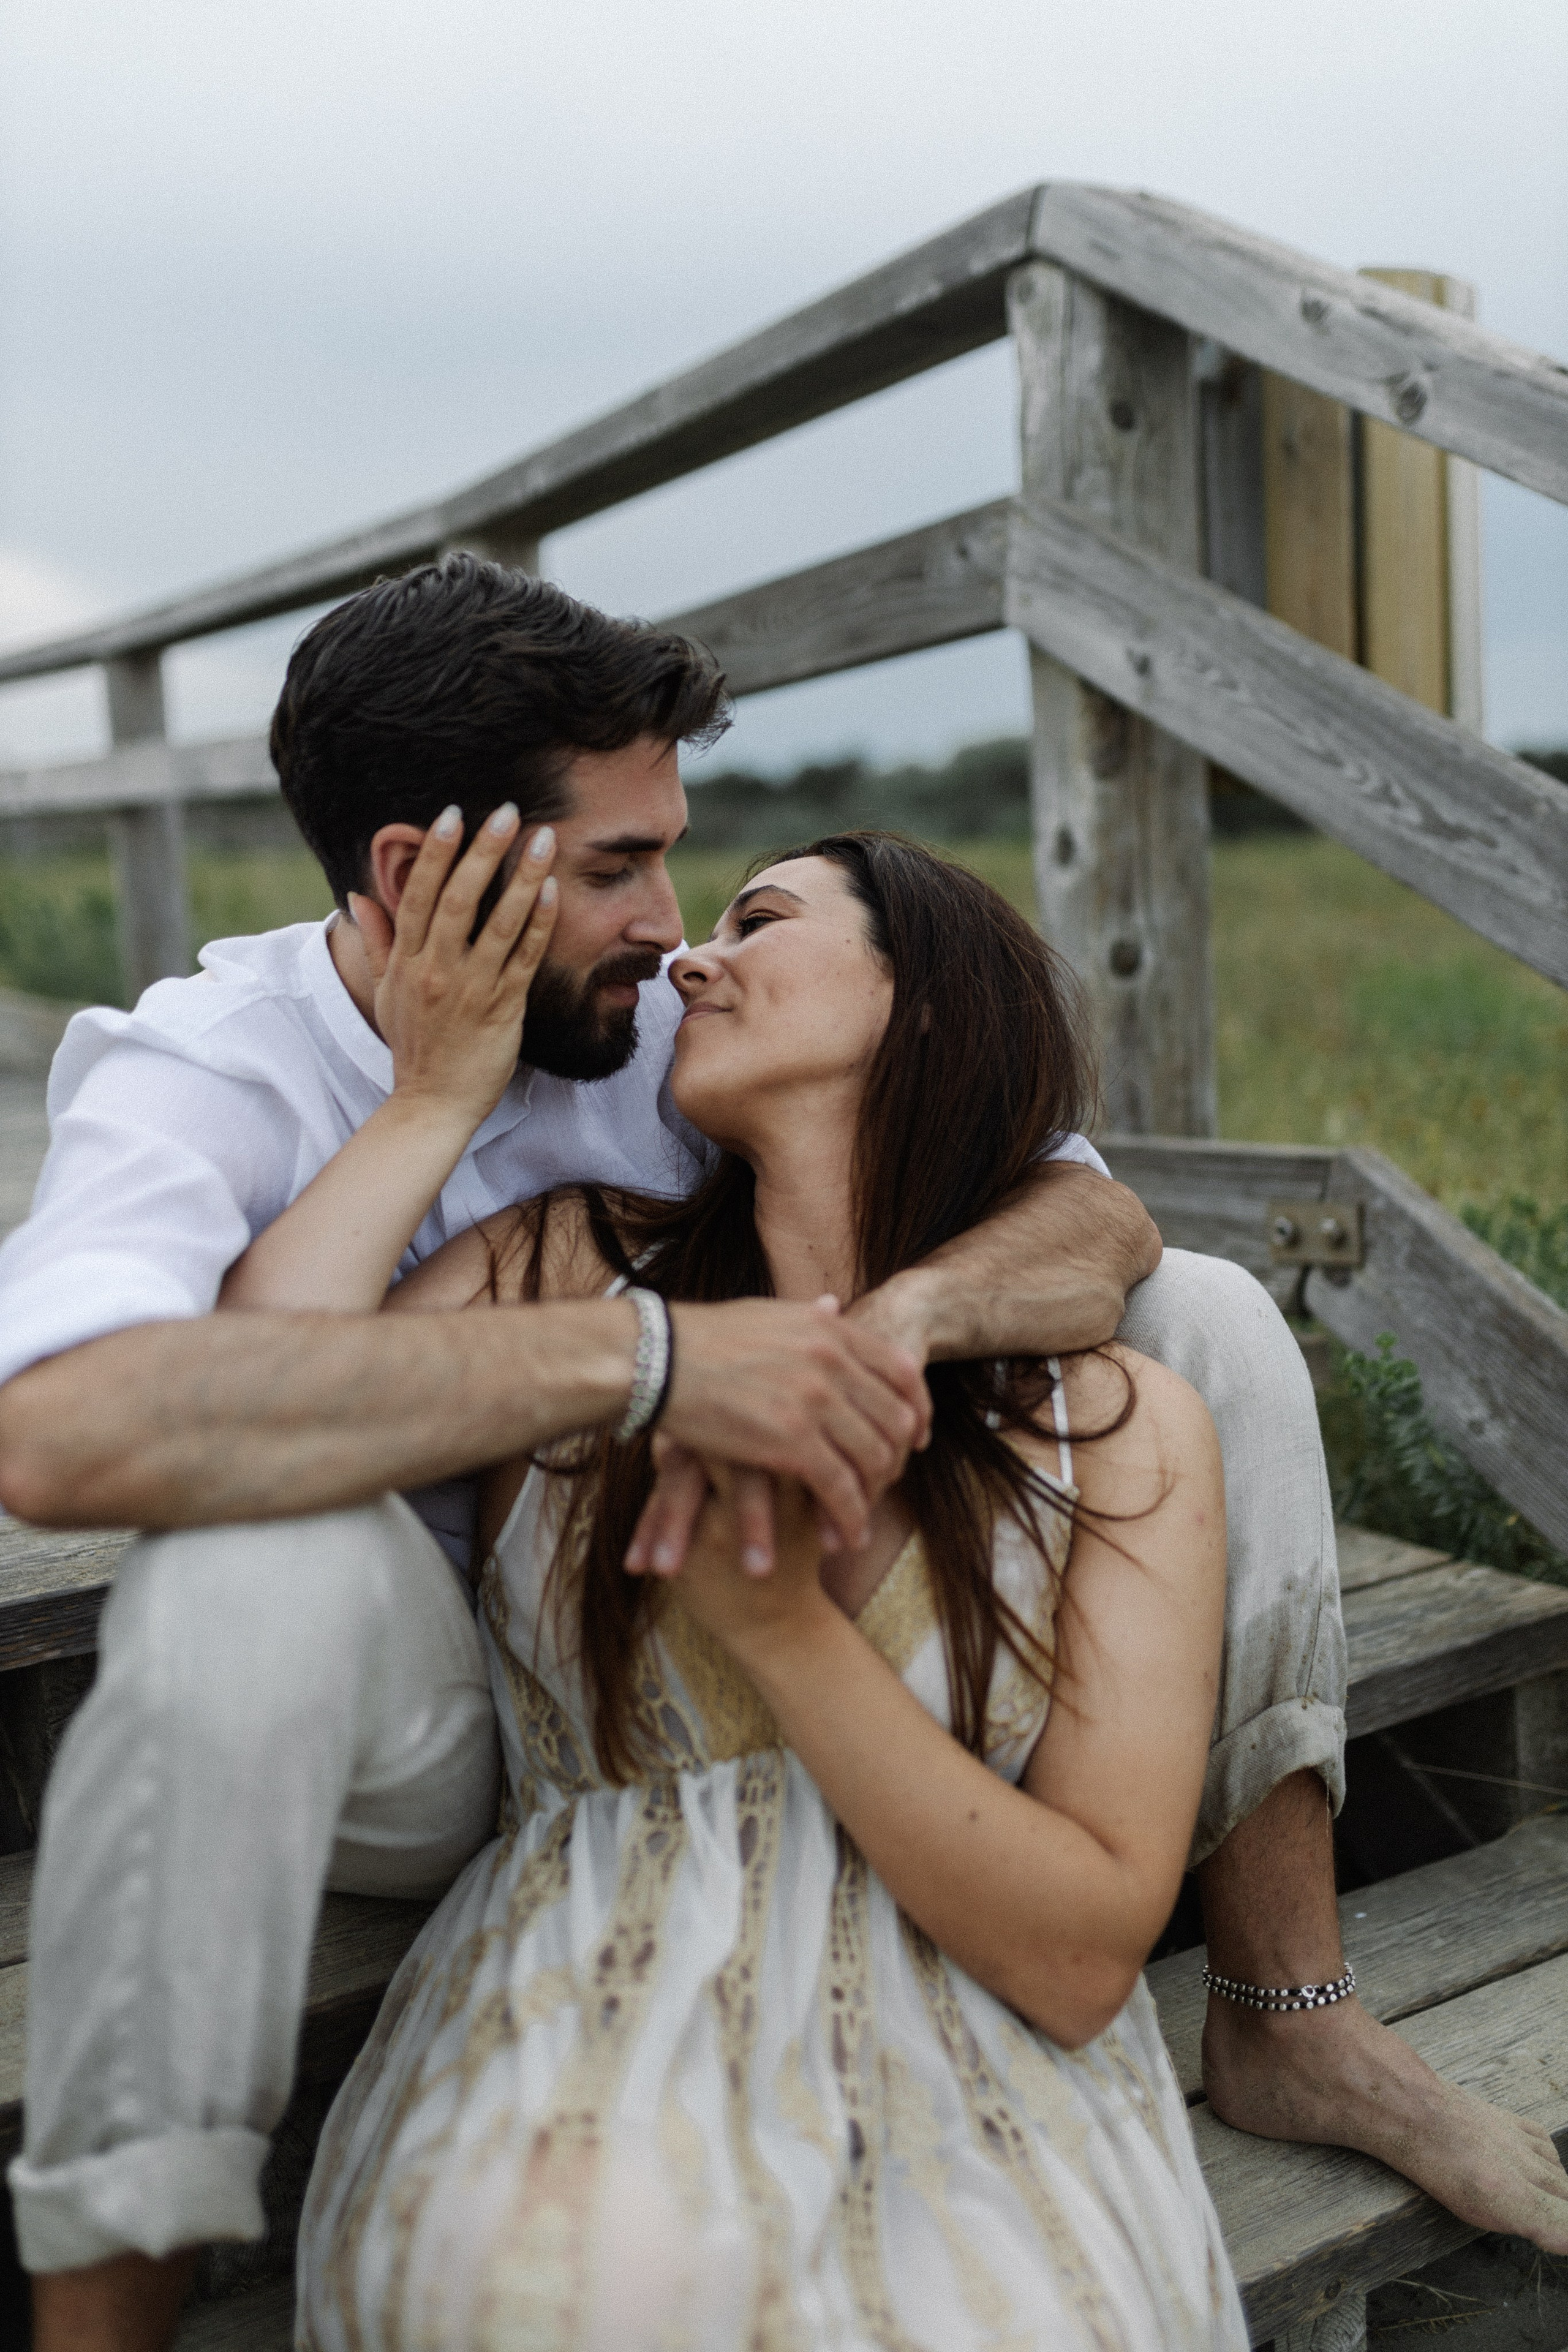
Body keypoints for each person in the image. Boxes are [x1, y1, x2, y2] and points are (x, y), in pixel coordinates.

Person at [0, 559, 1558, 2350]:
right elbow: (65, 1433)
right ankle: (106, 2295)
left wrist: (870, 1335)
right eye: (616, 870)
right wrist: (559, 1248)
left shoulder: (672, 1009)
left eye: (692, 865)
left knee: (1199, 1315)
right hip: (421, 1683)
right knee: (235, 1580)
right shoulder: (205, 1069)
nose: (673, 931)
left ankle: (1291, 2006)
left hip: (764, 1598)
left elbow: (1085, 1220)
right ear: (419, 876)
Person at [257, 826, 1249, 2348]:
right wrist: (433, 1096)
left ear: (921, 1004)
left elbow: (1079, 1953)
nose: (689, 958)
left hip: (972, 2036)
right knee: (565, 2277)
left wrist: (783, 1630)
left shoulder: (1105, 1423)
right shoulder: (563, 1275)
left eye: (759, 919)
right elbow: (258, 1402)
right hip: (583, 2002)